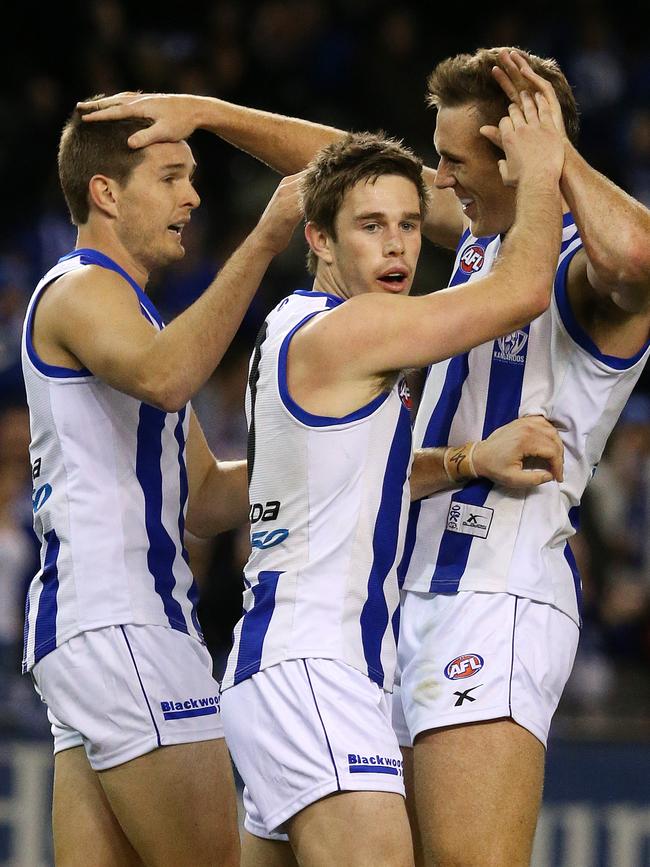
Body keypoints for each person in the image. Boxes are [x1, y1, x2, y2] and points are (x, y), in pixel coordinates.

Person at [79, 44, 650, 866]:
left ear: (519, 151)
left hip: (491, 595)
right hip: (379, 614)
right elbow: (355, 178)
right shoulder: (487, 242)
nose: (438, 184)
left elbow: (632, 258)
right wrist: (210, 114)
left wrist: (554, 158)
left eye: (453, 163)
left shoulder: (580, 266)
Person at [220, 98, 563, 864]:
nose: (398, 243)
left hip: (284, 670)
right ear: (319, 238)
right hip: (317, 672)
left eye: (410, 222)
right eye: (370, 226)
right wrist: (544, 170)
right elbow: (523, 291)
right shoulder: (356, 329)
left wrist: (468, 461)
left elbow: (364, 479)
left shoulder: (292, 324)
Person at [21, 104, 302, 867]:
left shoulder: (134, 312)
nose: (193, 198)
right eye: (173, 177)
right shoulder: (80, 287)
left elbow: (205, 496)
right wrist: (268, 236)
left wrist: (343, 463)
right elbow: (170, 377)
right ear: (106, 192)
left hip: (100, 628)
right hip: (124, 623)